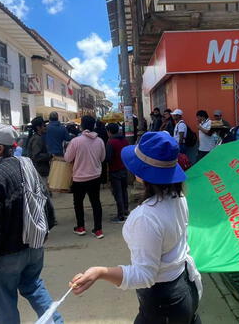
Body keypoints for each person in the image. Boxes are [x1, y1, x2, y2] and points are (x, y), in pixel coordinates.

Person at [70, 132, 202, 324]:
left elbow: (145, 275)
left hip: (163, 302)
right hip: (185, 286)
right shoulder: (178, 197)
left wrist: (100, 272)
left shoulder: (146, 216)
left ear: (142, 173)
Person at [0, 124, 61, 324]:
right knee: (34, 286)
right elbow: (46, 201)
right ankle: (56, 321)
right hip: (34, 247)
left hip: (7, 254)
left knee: (3, 300)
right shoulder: (27, 165)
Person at [64, 115, 106, 239]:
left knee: (78, 203)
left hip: (79, 178)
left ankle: (80, 227)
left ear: (81, 125)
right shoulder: (99, 141)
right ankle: (98, 230)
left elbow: (67, 158)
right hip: (95, 176)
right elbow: (102, 158)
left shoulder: (76, 141)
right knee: (96, 203)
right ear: (93, 125)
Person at [106, 123, 130, 223]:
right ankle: (125, 210)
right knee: (124, 191)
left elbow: (108, 158)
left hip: (115, 170)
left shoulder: (111, 142)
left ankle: (120, 216)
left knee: (118, 193)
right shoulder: (125, 141)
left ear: (109, 131)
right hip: (124, 169)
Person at [27, 117, 51, 187]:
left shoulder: (37, 137)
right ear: (38, 127)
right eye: (44, 125)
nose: (45, 127)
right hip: (39, 171)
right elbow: (36, 156)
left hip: (39, 170)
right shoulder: (37, 139)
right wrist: (49, 155)